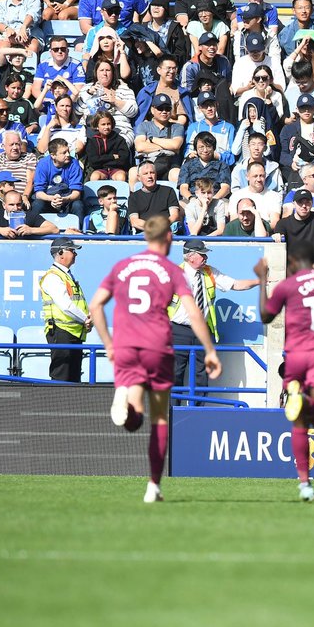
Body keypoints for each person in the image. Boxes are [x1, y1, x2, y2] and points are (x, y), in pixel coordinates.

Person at [89, 214, 221, 503]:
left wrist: (108, 343)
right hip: (157, 346)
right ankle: (153, 486)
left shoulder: (122, 266)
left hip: (125, 346)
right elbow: (194, 312)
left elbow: (95, 304)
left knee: (134, 419)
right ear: (169, 238)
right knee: (160, 418)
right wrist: (210, 350)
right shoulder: (172, 270)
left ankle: (125, 396)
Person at [255, 242, 314, 502]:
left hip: (296, 356)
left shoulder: (289, 285)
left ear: (293, 264)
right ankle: (307, 401)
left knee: (299, 424)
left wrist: (263, 279)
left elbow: (265, 316)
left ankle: (305, 484)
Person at [169, 239, 259, 398]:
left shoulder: (210, 272)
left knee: (201, 374)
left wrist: (260, 281)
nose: (206, 258)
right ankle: (173, 412)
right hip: (178, 330)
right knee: (175, 372)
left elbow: (236, 285)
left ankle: (198, 411)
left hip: (202, 331)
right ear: (191, 257)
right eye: (202, 255)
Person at [39, 238, 92, 382]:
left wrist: (86, 318)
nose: (75, 254)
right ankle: (54, 405)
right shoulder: (53, 277)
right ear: (61, 253)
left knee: (73, 378)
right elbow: (66, 305)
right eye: (72, 250)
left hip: (72, 333)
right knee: (61, 377)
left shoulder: (66, 275)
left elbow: (75, 304)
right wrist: (86, 319)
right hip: (61, 332)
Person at [272, 188, 314, 269]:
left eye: (307, 202)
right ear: (294, 204)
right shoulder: (283, 223)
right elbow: (277, 248)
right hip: (291, 264)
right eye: (300, 202)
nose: (304, 206)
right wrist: (276, 237)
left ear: (312, 203)